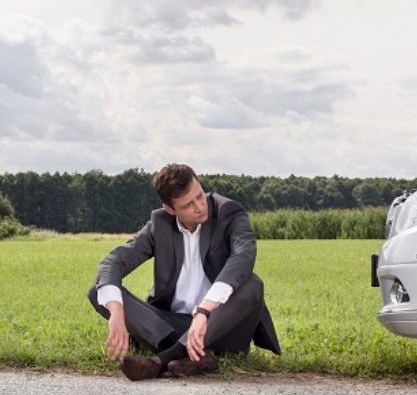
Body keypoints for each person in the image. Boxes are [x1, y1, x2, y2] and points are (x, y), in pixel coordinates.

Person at [87, 163, 280, 381]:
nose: (199, 206)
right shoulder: (159, 224)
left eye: (200, 196)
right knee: (99, 291)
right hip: (174, 328)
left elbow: (243, 256)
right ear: (170, 209)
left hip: (224, 326)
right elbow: (114, 261)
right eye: (188, 205)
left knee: (253, 284)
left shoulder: (228, 212)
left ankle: (163, 360)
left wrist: (204, 311)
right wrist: (116, 311)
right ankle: (196, 357)